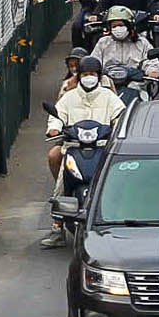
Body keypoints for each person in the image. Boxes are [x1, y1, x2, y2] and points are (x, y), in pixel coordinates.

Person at [42, 58, 127, 246]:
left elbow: (120, 115)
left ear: (99, 76)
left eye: (93, 75)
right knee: (61, 183)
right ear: (79, 76)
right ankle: (57, 227)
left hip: (102, 148)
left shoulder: (108, 97)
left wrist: (119, 127)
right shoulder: (69, 97)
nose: (89, 78)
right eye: (85, 75)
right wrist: (54, 128)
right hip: (73, 148)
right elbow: (57, 115)